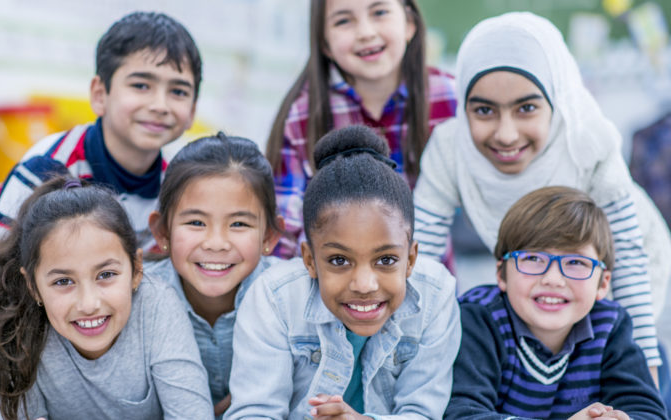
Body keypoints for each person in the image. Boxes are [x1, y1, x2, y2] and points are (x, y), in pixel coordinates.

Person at [0, 11, 202, 420]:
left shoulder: (168, 190)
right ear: (100, 93)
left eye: (178, 91)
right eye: (141, 85)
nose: (159, 104)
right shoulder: (51, 163)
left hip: (12, 305)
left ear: (193, 108)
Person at [412, 12, 671, 376]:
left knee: (617, 362)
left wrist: (645, 364)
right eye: (484, 110)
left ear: (556, 98)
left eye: (527, 108)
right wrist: (411, 354)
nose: (506, 134)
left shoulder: (587, 140)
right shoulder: (449, 148)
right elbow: (420, 257)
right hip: (544, 272)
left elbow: (629, 258)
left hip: (625, 260)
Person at [225, 125, 461, 419]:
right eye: (339, 260)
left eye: (386, 260)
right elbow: (255, 412)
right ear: (309, 260)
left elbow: (423, 412)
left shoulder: (436, 294)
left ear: (411, 258)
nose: (364, 284)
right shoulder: (275, 298)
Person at [0, 176, 210, 420]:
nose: (89, 304)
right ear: (33, 286)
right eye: (63, 281)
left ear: (136, 270)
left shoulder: (157, 305)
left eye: (106, 274)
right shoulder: (19, 328)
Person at [445, 186, 667, 420]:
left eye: (576, 262)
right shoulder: (480, 319)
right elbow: (460, 413)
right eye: (533, 258)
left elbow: (648, 411)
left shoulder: (611, 326)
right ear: (501, 274)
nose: (552, 279)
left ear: (603, 283)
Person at [265, 0, 457, 259]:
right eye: (344, 20)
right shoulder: (303, 115)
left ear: (409, 24)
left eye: (379, 12)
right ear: (325, 44)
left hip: (429, 282)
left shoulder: (450, 97)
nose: (365, 32)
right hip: (333, 288)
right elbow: (285, 231)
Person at [143, 132, 283, 417]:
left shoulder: (289, 298)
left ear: (269, 235)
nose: (216, 243)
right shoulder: (136, 300)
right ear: (162, 232)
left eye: (239, 223)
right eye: (196, 222)